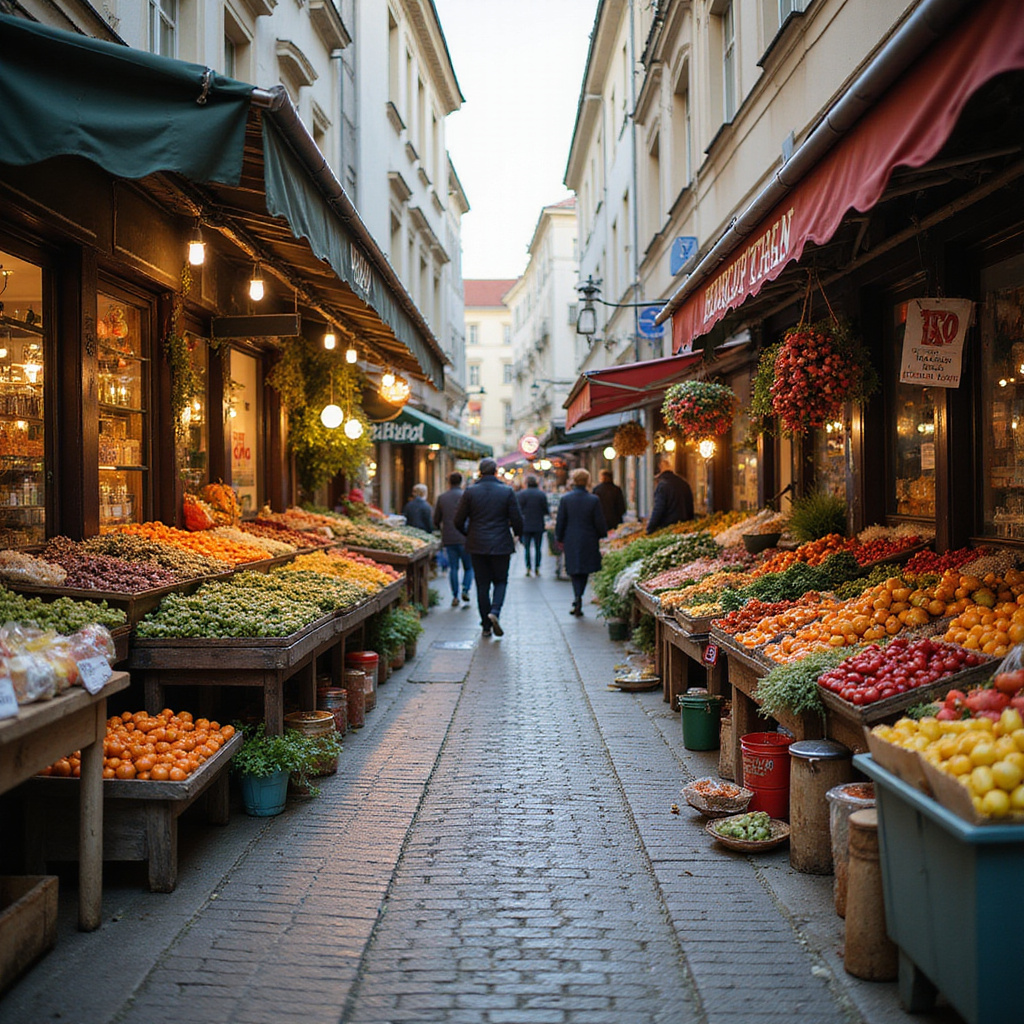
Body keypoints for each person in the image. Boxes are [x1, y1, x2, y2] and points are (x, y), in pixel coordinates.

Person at [455, 457, 523, 637]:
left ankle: (486, 625)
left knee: (482, 584)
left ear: (480, 472)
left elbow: (458, 520)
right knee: (501, 581)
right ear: (495, 472)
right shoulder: (507, 491)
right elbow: (517, 518)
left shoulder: (470, 492)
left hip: (477, 544)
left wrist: (468, 534)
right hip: (501, 543)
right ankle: (495, 611)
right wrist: (517, 534)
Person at [555, 468, 608, 617]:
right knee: (584, 569)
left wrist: (559, 537)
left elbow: (561, 521)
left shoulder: (566, 499)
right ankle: (579, 596)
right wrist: (602, 534)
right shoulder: (593, 499)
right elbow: (599, 521)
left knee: (573, 569)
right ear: (587, 481)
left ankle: (577, 597)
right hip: (588, 538)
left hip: (571, 538)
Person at [433, 472, 474, 608]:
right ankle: (465, 589)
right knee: (468, 567)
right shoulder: (467, 496)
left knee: (453, 568)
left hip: (449, 538)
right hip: (466, 537)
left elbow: (436, 520)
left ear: (449, 482)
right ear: (461, 482)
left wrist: (442, 529)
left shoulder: (442, 498)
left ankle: (455, 596)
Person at [646, 456, 694, 534]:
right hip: (684, 528)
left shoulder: (662, 486)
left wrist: (649, 529)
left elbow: (658, 510)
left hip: (668, 529)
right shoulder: (684, 483)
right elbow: (690, 508)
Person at [516, 475, 549, 576]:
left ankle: (528, 567)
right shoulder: (541, 494)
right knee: (538, 548)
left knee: (527, 548)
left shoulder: (522, 494)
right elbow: (546, 510)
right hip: (538, 524)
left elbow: (518, 510)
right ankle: (537, 567)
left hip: (526, 525)